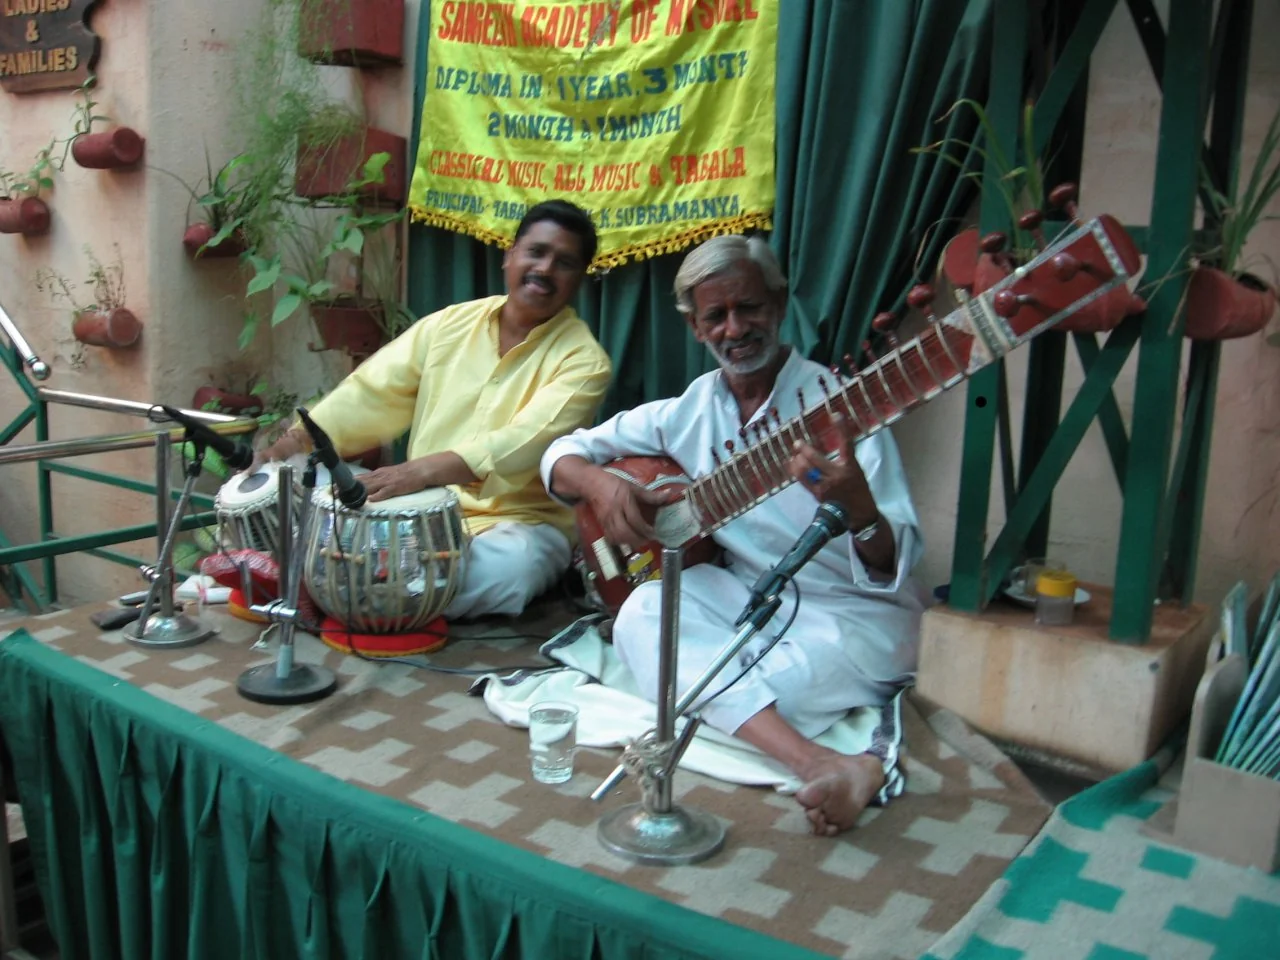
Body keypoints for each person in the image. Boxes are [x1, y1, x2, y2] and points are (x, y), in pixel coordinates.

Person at [540, 234, 925, 836]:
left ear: (777, 304)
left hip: (852, 615)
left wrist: (858, 507)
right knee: (641, 613)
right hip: (749, 597)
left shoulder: (842, 408)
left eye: (749, 308)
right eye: (715, 315)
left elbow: (889, 561)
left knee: (748, 690)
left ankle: (820, 757)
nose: (735, 328)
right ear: (695, 328)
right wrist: (600, 486)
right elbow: (560, 454)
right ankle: (820, 760)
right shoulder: (690, 411)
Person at [254, 199, 612, 620]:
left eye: (565, 262)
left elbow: (522, 443)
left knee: (510, 570)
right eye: (536, 252)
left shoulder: (585, 361)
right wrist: (292, 443)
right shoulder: (448, 325)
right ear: (509, 256)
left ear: (580, 280)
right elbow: (370, 393)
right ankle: (360, 586)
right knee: (292, 480)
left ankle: (331, 583)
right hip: (416, 507)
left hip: (514, 525)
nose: (546, 269)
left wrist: (417, 472)